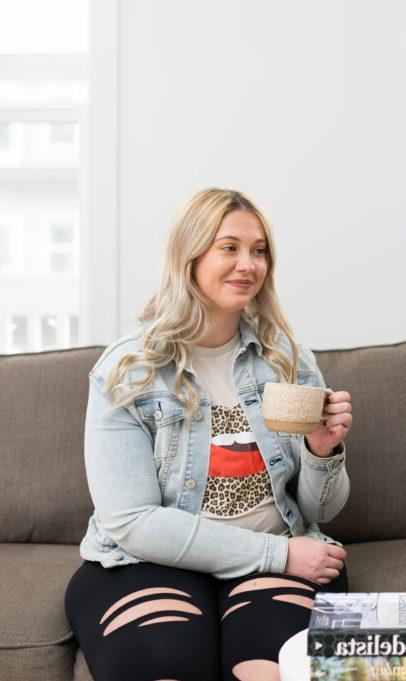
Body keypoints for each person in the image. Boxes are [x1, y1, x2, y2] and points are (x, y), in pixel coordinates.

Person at [64, 188, 354, 681]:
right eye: (229, 247)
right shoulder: (128, 371)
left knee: (269, 670)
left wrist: (321, 452)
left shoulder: (287, 359)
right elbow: (131, 521)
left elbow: (319, 510)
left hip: (281, 555)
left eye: (258, 250)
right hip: (151, 563)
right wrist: (279, 554)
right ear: (189, 255)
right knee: (166, 665)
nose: (248, 264)